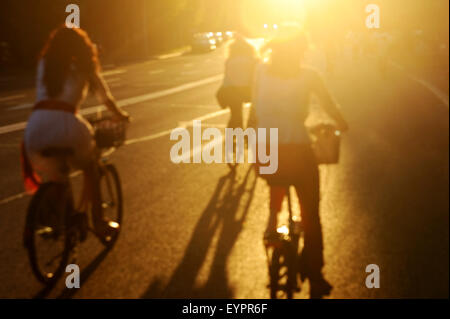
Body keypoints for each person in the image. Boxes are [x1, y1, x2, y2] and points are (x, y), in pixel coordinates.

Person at [252, 26, 348, 298]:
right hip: (297, 150)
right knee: (311, 215)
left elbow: (257, 111)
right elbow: (329, 106)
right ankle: (315, 277)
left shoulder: (261, 71)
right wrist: (342, 124)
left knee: (276, 177)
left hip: (266, 151)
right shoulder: (309, 76)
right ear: (301, 51)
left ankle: (272, 224)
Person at [22, 26, 129, 241]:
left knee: (56, 174)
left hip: (35, 128)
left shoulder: (44, 64)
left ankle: (56, 218)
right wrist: (120, 115)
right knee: (91, 167)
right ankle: (98, 222)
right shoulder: (84, 67)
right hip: (67, 125)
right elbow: (105, 98)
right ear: (83, 47)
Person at [216, 34, 258, 129]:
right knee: (254, 111)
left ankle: (233, 136)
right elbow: (255, 78)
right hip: (247, 89)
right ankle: (249, 131)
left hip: (230, 90)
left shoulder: (229, 61)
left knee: (235, 115)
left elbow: (227, 78)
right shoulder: (252, 60)